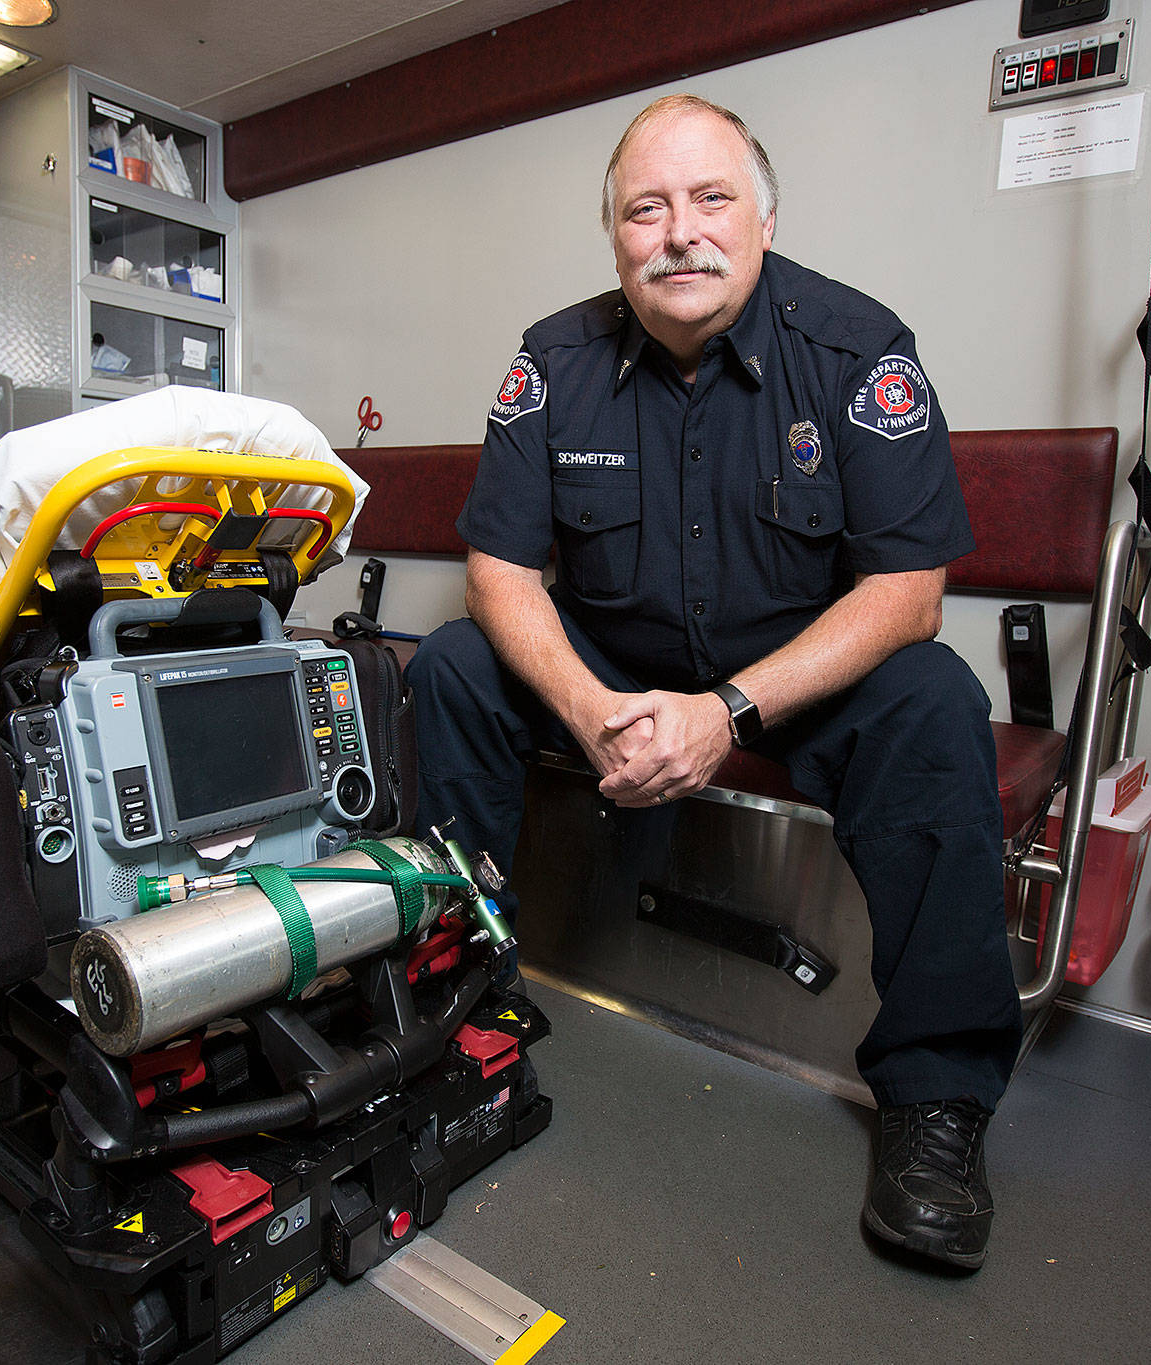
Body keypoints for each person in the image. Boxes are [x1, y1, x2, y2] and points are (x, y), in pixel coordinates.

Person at [405, 94, 1023, 1271]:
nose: (678, 231)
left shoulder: (856, 352)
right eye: (646, 208)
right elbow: (497, 569)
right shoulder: (551, 362)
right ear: (614, 234)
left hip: (796, 676)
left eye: (709, 198)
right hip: (613, 665)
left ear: (763, 216)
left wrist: (727, 711)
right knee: (451, 667)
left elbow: (906, 592)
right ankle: (463, 999)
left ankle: (935, 1103)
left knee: (935, 697)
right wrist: (588, 711)